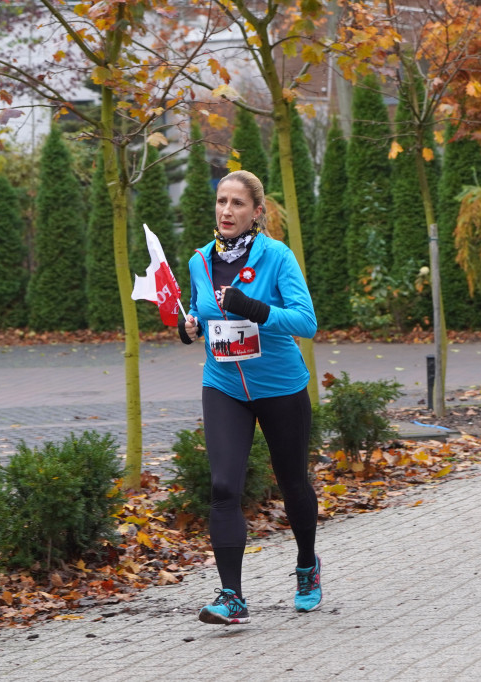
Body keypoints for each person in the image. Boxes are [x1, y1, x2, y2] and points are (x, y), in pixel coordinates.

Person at [178, 169, 320, 625]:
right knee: (223, 486)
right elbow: (203, 315)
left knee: (292, 482)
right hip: (223, 385)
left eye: (237, 203)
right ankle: (232, 596)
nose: (226, 211)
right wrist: (190, 329)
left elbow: (305, 322)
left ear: (257, 212)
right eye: (221, 201)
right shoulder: (199, 261)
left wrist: (252, 308)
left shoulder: (277, 256)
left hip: (279, 385)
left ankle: (306, 567)